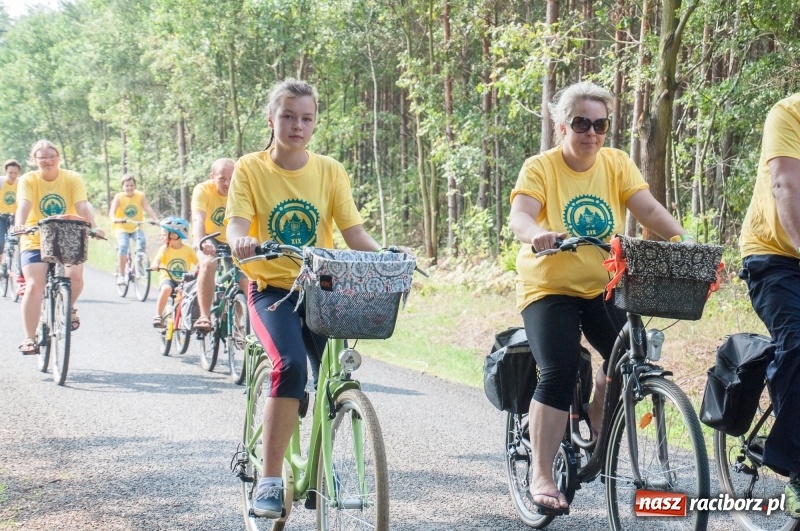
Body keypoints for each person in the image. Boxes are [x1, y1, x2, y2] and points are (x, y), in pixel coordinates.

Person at [507, 81, 692, 516]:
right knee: (558, 369)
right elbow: (520, 216)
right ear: (561, 126)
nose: (591, 132)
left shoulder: (616, 162)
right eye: (581, 123)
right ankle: (542, 476)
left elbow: (647, 209)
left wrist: (682, 239)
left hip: (602, 286)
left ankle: (592, 421)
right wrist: (537, 235)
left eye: (600, 124)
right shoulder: (541, 167)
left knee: (629, 357)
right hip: (548, 288)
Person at [226, 78, 384, 519]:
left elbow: (352, 232)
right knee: (289, 367)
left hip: (322, 289)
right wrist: (242, 242)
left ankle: (318, 461)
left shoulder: (330, 170)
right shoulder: (251, 168)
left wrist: (387, 256)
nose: (298, 125)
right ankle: (270, 479)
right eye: (289, 116)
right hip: (273, 289)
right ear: (272, 119)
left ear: (315, 123)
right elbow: (236, 224)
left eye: (307, 118)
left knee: (332, 377)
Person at [738, 92, 800, 518]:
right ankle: (797, 469)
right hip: (774, 256)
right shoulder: (788, 113)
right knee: (799, 340)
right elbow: (785, 184)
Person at [12, 140, 105, 354]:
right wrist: (20, 224)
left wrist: (94, 226)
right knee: (35, 285)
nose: (48, 160)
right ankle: (29, 337)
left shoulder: (72, 178)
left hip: (68, 234)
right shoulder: (28, 179)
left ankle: (68, 308)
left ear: (59, 157)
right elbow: (24, 204)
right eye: (42, 157)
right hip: (34, 235)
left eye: (52, 156)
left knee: (76, 278)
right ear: (34, 160)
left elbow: (81, 205)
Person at [190, 158, 248, 332]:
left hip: (232, 238)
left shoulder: (241, 191)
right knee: (208, 263)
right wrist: (203, 241)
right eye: (222, 178)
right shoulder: (203, 190)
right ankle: (204, 316)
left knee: (243, 276)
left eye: (231, 178)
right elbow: (198, 218)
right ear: (212, 177)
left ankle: (238, 324)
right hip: (208, 235)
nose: (227, 183)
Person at [108, 173, 159, 285]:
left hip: (136, 227)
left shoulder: (140, 196)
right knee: (123, 246)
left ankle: (137, 268)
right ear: (123, 187)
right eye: (127, 185)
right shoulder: (119, 197)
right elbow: (112, 212)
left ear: (135, 186)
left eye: (131, 185)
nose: (129, 188)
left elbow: (147, 208)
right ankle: (121, 275)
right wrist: (115, 219)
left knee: (141, 244)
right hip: (121, 227)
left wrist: (155, 219)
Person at [151, 217, 198, 327]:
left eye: (164, 234)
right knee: (166, 289)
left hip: (183, 279)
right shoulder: (164, 249)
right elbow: (158, 258)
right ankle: (158, 316)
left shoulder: (188, 250)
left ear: (174, 235)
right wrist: (155, 265)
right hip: (167, 278)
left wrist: (201, 268)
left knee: (186, 296)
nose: (161, 237)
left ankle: (183, 320)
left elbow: (197, 263)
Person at [0, 159, 21, 278]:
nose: (13, 176)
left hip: (15, 217)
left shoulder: (20, 184)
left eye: (15, 173)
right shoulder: (1, 182)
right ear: (5, 171)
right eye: (10, 173)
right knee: (0, 243)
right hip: (1, 216)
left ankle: (18, 266)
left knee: (19, 241)